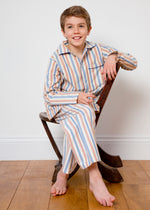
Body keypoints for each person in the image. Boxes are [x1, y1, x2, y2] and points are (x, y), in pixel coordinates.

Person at [44, 5, 137, 207]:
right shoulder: (56, 57)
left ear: (89, 29)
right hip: (63, 106)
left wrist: (114, 56)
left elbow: (133, 62)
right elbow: (49, 95)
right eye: (70, 27)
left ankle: (63, 173)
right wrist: (76, 97)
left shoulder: (99, 50)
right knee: (82, 112)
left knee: (83, 115)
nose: (76, 31)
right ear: (63, 31)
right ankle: (94, 176)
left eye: (81, 26)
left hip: (86, 109)